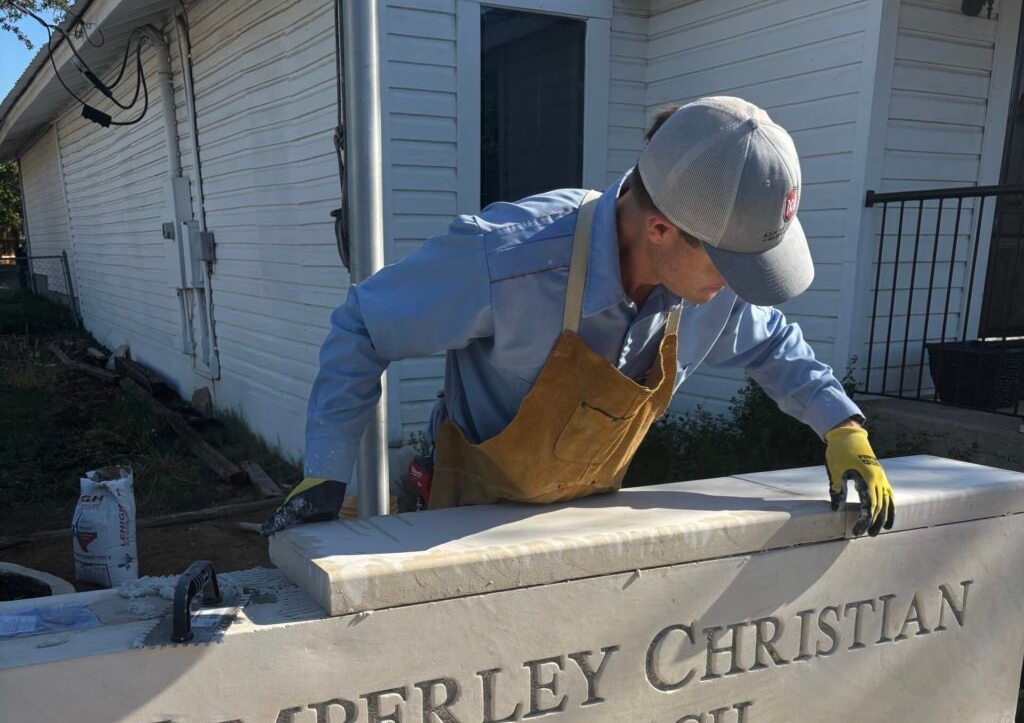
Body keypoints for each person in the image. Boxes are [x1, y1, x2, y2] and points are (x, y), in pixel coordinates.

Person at [262, 96, 895, 537]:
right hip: (460, 522)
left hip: (584, 520)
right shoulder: (510, 260)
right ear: (659, 229)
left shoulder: (711, 287)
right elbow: (363, 325)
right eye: (729, 267)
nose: (737, 288)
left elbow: (772, 345)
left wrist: (842, 427)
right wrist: (326, 472)